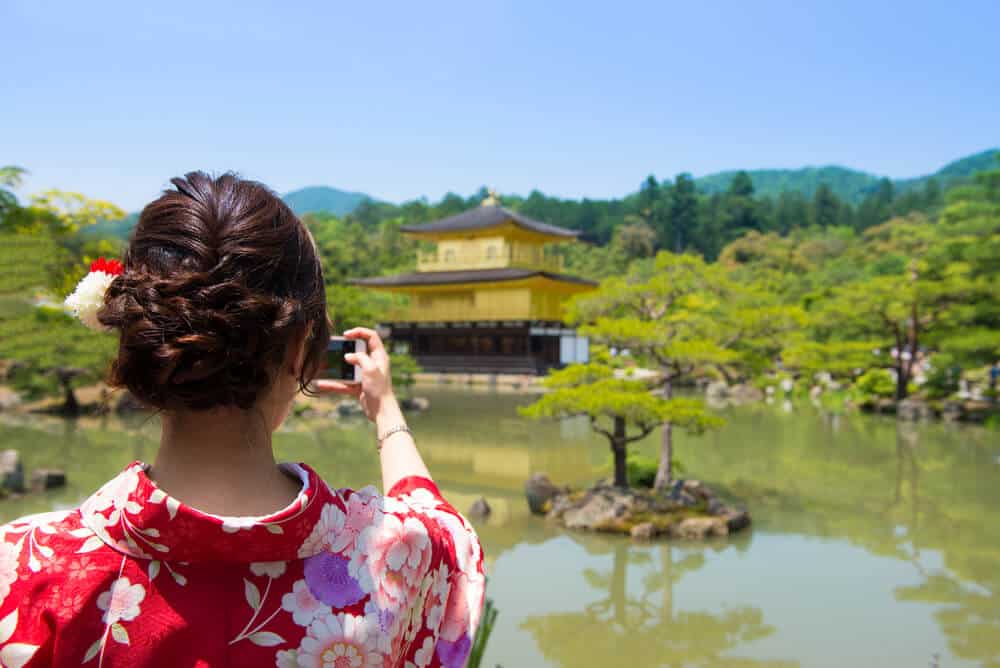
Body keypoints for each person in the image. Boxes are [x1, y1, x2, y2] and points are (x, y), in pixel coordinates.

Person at [0, 173, 484, 667]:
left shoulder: (25, 568)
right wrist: (385, 410)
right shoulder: (392, 555)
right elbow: (447, 531)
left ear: (140, 336)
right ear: (298, 349)